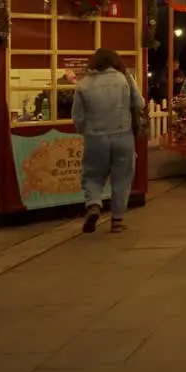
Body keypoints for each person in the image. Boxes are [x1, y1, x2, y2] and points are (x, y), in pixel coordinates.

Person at [72, 48, 145, 234]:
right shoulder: (124, 78)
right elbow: (139, 103)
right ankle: (117, 221)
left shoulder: (83, 84)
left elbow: (78, 117)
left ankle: (94, 205)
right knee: (122, 178)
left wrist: (84, 131)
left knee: (93, 175)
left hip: (95, 136)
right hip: (123, 135)